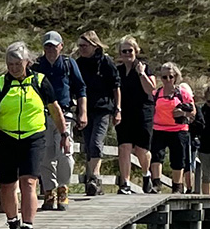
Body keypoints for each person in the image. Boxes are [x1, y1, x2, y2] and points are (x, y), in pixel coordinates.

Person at [0, 42, 56, 229]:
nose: (14, 68)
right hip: (6, 138)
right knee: (7, 184)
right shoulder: (0, 84)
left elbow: (54, 108)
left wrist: (64, 134)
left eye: (18, 63)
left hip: (33, 136)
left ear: (27, 62)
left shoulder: (40, 81)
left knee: (29, 182)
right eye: (10, 64)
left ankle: (27, 228)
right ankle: (12, 223)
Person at [30, 30, 83, 211]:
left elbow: (81, 88)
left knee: (65, 154)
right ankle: (49, 192)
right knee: (45, 156)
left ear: (61, 46)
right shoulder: (37, 65)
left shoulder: (68, 64)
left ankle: (63, 189)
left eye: (54, 46)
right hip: (42, 115)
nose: (50, 49)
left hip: (65, 114)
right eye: (47, 46)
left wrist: (83, 113)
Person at [73, 31, 121, 195]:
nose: (81, 49)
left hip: (103, 109)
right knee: (88, 145)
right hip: (84, 110)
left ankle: (94, 178)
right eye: (79, 46)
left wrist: (118, 109)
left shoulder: (106, 62)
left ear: (94, 45)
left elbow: (116, 86)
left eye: (84, 46)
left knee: (95, 143)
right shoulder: (78, 63)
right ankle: (92, 183)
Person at [114, 36, 157, 194]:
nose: (127, 54)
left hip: (142, 111)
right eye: (124, 51)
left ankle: (146, 175)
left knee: (141, 149)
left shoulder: (144, 67)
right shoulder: (117, 71)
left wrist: (141, 74)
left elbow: (150, 89)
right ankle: (125, 183)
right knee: (124, 146)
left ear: (136, 51)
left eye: (130, 50)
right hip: (124, 111)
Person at [149, 62, 196, 194]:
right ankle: (156, 183)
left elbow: (193, 112)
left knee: (178, 159)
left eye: (170, 76)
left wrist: (183, 113)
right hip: (159, 128)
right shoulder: (157, 93)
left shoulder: (183, 93)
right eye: (164, 77)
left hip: (179, 129)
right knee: (157, 155)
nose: (168, 80)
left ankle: (177, 186)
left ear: (175, 77)